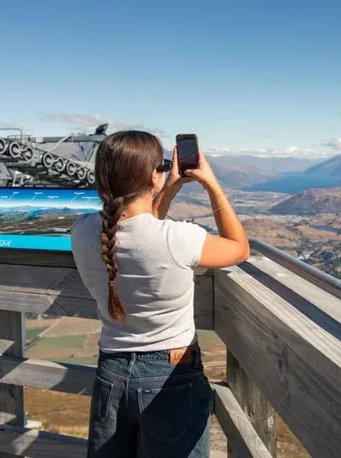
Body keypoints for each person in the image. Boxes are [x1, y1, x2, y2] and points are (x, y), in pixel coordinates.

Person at [70, 130, 250, 457]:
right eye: (162, 167)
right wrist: (211, 184)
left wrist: (166, 188)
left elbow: (137, 229)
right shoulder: (176, 239)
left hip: (110, 372)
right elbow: (239, 248)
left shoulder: (82, 231)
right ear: (153, 175)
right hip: (171, 377)